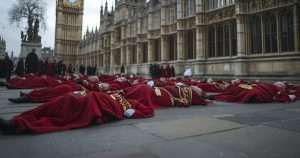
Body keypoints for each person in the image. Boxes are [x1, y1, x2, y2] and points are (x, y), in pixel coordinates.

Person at [0, 91, 154, 134]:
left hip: (96, 105)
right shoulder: (118, 93)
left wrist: (132, 112)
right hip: (92, 97)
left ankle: (17, 125)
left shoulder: (132, 103)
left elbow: (148, 111)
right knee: (61, 101)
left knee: (65, 114)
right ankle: (22, 117)